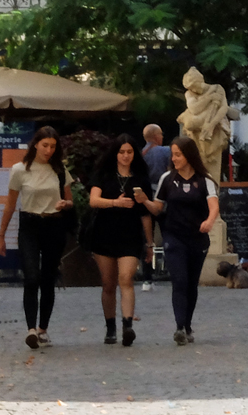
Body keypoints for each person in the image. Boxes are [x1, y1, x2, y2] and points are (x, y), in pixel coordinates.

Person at [136, 135, 219, 345]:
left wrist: (209, 221)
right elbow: (158, 207)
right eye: (173, 155)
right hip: (173, 236)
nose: (173, 159)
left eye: (178, 155)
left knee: (191, 283)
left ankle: (188, 325)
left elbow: (214, 205)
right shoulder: (167, 179)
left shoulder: (205, 180)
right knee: (179, 280)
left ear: (189, 156)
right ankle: (179, 326)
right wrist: (145, 201)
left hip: (197, 237)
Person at [0, 126, 74, 349]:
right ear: (36, 145)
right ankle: (30, 329)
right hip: (29, 224)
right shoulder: (20, 170)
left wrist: (65, 204)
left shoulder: (59, 170)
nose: (48, 150)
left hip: (54, 224)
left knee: (48, 278)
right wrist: (1, 234)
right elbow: (10, 204)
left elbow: (70, 200)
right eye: (45, 145)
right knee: (31, 276)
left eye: (53, 146)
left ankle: (43, 329)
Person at [87, 134, 153, 346]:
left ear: (135, 154)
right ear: (115, 153)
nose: (125, 156)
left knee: (126, 278)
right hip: (104, 233)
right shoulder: (104, 174)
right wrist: (115, 203)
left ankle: (127, 325)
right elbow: (94, 200)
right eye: (122, 152)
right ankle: (110, 327)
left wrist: (150, 243)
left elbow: (145, 213)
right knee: (108, 283)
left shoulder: (141, 178)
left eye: (129, 152)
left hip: (130, 235)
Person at [139, 124, 171, 291]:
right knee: (169, 235)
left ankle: (147, 278)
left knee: (147, 238)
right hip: (163, 200)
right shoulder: (165, 151)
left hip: (145, 200)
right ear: (157, 136)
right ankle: (173, 271)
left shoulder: (140, 154)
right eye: (161, 134)